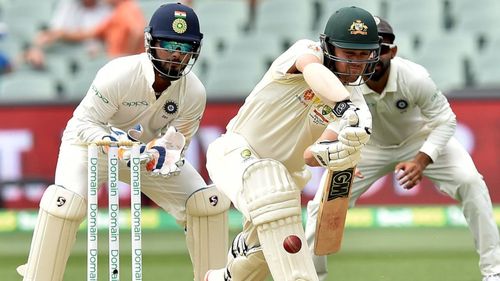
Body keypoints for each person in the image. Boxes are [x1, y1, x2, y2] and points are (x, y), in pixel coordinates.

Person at [17, 3, 230, 281]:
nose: (177, 54)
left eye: (185, 46)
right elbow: (83, 123)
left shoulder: (194, 92)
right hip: (90, 145)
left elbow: (178, 143)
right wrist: (112, 142)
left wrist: (162, 153)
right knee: (64, 203)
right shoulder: (119, 73)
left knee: (207, 204)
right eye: (168, 43)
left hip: (143, 153)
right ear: (150, 42)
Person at [305, 16, 500, 281]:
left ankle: (494, 273)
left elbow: (445, 120)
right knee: (322, 205)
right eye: (366, 52)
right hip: (367, 146)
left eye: (380, 50)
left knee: (471, 182)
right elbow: (336, 124)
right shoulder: (347, 80)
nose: (372, 59)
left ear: (392, 52)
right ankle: (311, 277)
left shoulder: (415, 78)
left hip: (418, 140)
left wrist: (421, 160)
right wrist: (344, 157)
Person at [204, 6, 380, 281]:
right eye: (349, 54)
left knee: (263, 254)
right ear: (330, 47)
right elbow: (311, 69)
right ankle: (247, 245)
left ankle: (222, 274)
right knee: (277, 218)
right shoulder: (306, 54)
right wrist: (344, 107)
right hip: (235, 154)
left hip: (283, 185)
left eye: (363, 55)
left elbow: (311, 155)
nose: (356, 63)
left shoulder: (357, 105)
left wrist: (337, 155)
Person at [24, 0, 112, 69]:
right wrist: (36, 48)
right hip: (70, 58)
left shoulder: (107, 8)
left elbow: (95, 35)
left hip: (96, 59)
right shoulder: (69, 5)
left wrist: (64, 34)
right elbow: (52, 33)